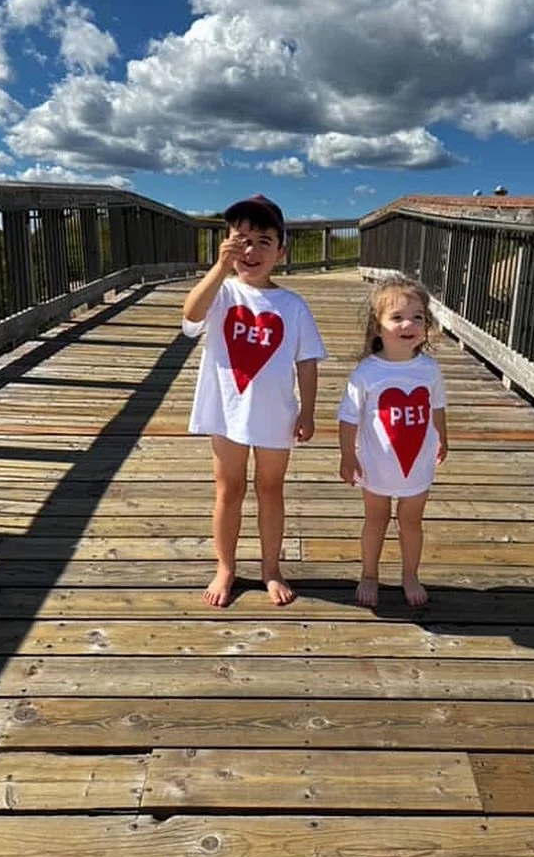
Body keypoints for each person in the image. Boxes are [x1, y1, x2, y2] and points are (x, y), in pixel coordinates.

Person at [182, 194, 327, 607]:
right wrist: (217, 268)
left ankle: (270, 568)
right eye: (240, 240)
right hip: (226, 413)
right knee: (228, 488)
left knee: (270, 488)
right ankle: (225, 567)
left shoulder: (293, 305)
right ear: (226, 245)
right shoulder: (222, 293)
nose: (251, 250)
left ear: (281, 251)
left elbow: (307, 362)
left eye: (264, 241)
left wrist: (308, 410)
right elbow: (191, 318)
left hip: (274, 415)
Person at [337, 276, 448, 608]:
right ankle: (370, 574)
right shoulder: (366, 373)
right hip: (376, 464)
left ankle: (410, 574)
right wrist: (347, 455)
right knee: (376, 519)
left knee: (412, 521)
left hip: (419, 460)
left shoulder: (429, 369)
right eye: (397, 317)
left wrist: (443, 438)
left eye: (417, 317)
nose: (408, 324)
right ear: (377, 326)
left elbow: (437, 406)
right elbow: (348, 418)